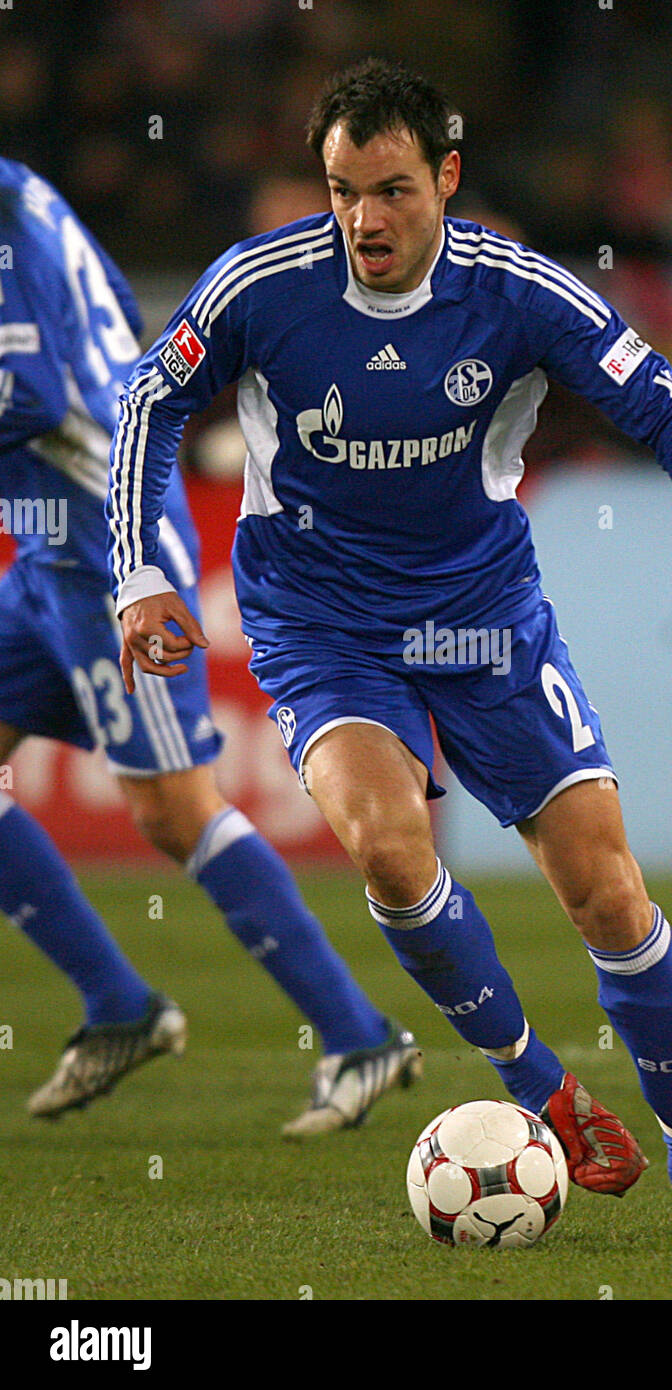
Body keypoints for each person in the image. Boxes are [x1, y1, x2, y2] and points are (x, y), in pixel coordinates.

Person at [109, 58, 672, 1240]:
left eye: (392, 191)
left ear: (445, 180)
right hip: (321, 623)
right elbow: (149, 407)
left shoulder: (516, 294)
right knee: (385, 845)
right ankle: (539, 1089)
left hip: (483, 618)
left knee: (606, 894)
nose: (364, 219)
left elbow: (666, 402)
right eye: (342, 191)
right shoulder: (260, 285)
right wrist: (143, 576)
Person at [0, 158, 420, 1132]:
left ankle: (362, 1037)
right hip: (47, 549)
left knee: (175, 810)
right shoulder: (25, 195)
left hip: (110, 554)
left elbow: (23, 390)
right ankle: (119, 1004)